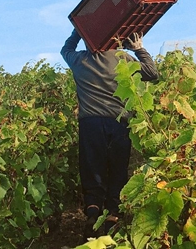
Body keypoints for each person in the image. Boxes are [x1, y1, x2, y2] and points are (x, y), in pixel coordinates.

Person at [60, 29, 159, 239]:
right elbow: (152, 73)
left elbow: (65, 49)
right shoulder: (122, 58)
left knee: (92, 167)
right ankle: (113, 215)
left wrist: (78, 31)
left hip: (90, 123)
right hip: (119, 122)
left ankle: (93, 211)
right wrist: (139, 49)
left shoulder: (80, 60)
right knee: (117, 167)